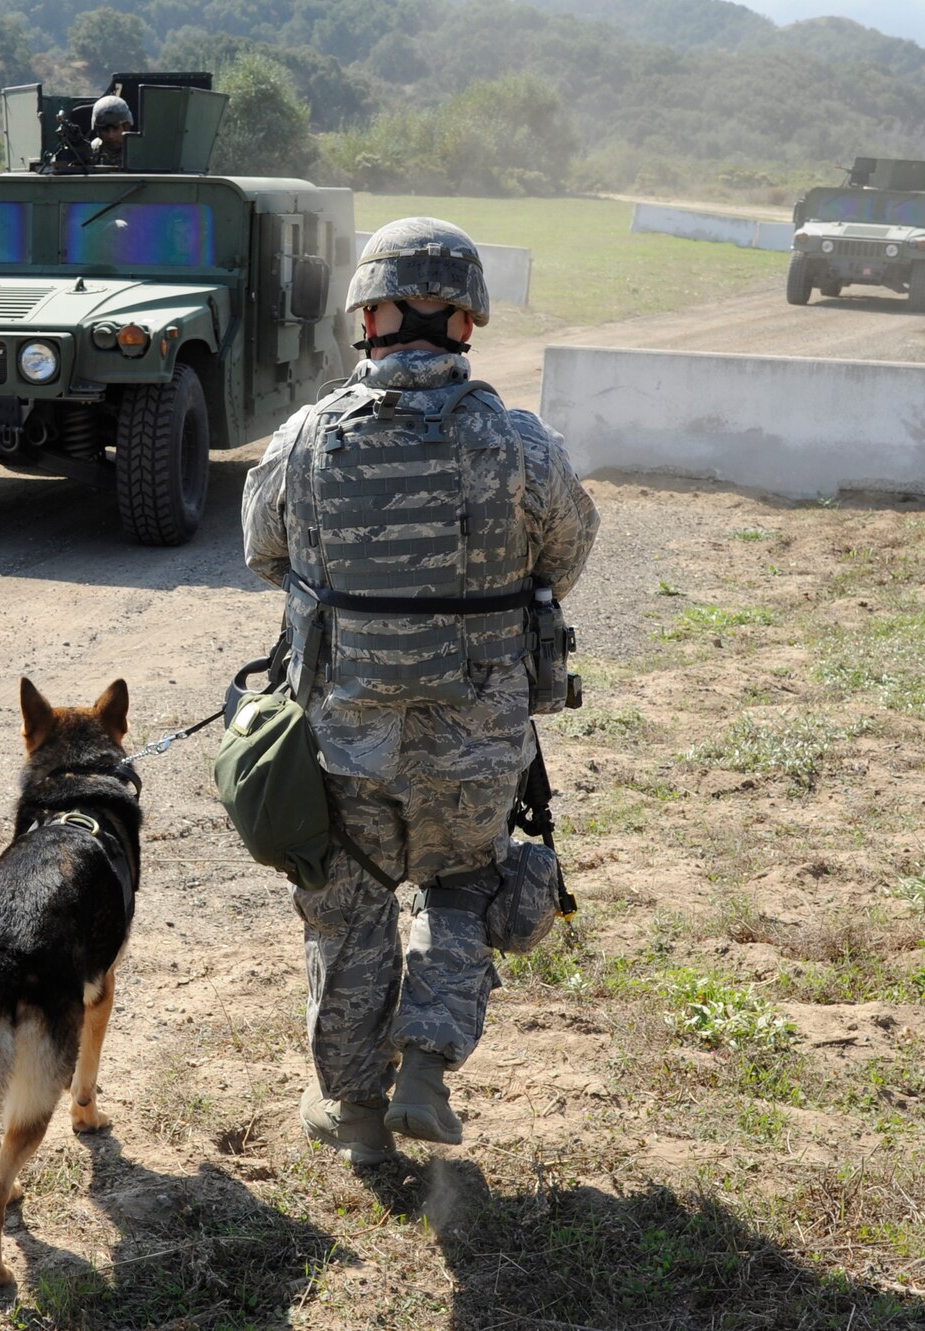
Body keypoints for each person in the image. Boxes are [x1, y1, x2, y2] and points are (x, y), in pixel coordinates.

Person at [241, 217, 600, 1162]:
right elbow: (567, 554)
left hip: (346, 739)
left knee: (348, 909)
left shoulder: (305, 437)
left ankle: (356, 1116)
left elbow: (263, 551)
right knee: (465, 883)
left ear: (370, 313)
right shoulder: (523, 445)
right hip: (478, 744)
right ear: (467, 323)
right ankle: (428, 1070)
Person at [89, 95, 133, 169]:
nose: (110, 136)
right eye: (105, 129)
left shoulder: (137, 151)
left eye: (116, 128)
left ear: (126, 127)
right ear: (98, 130)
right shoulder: (94, 149)